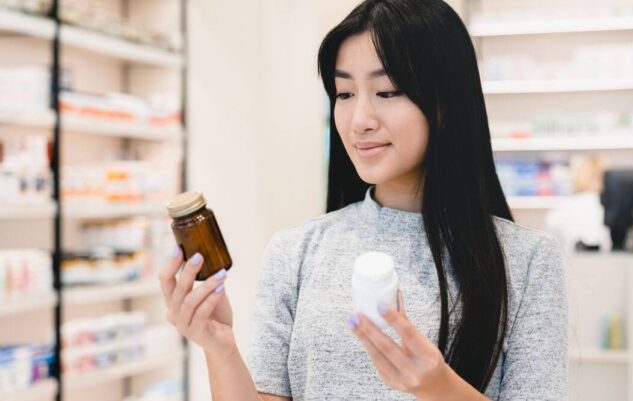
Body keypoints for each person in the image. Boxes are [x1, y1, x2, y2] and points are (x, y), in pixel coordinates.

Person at [158, 0, 568, 400]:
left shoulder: (526, 261)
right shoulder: (296, 251)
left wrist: (439, 389)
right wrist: (221, 349)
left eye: (387, 91)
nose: (360, 121)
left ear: (445, 102)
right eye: (344, 94)